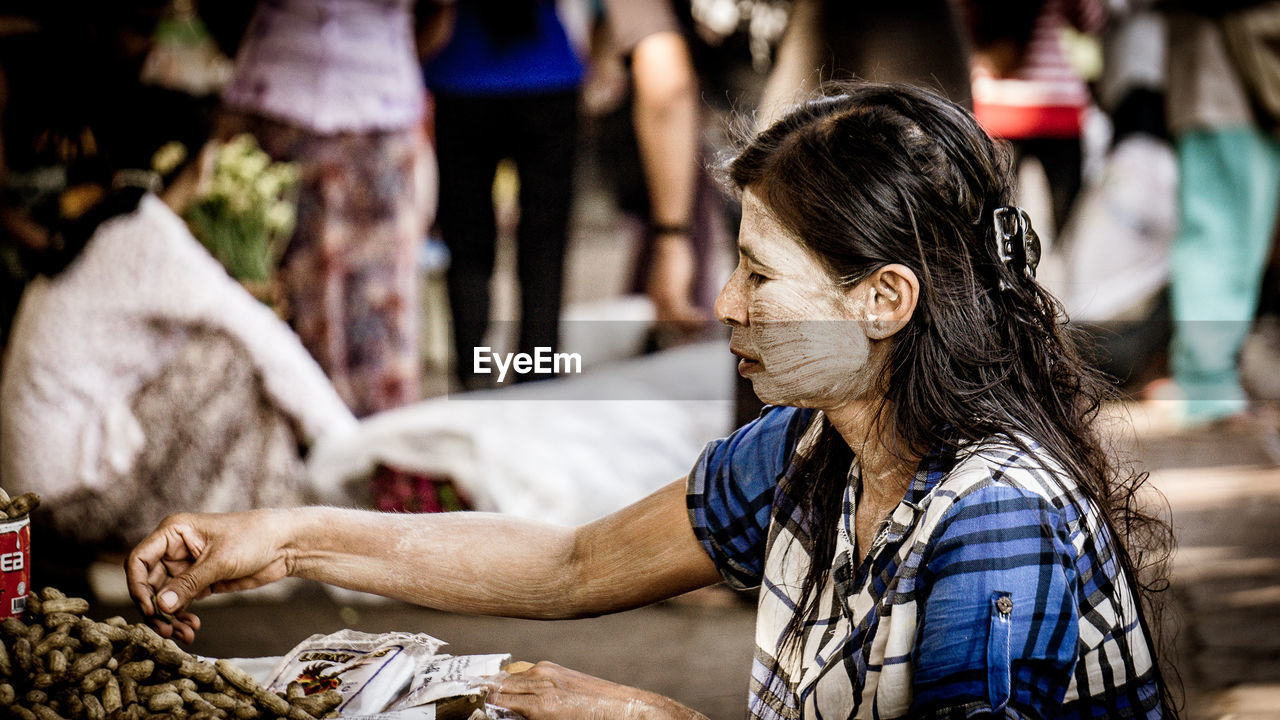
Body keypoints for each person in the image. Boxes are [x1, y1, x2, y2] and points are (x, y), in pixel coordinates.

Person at [127, 83, 1174, 719]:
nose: (724, 306)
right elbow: (571, 563)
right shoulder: (809, 453)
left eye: (759, 277)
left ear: (881, 302)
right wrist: (288, 541)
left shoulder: (995, 523)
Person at [217, 0, 433, 417]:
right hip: (276, 106)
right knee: (283, 292)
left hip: (377, 116)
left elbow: (438, 18)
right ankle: (293, 443)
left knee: (379, 303)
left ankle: (377, 454)